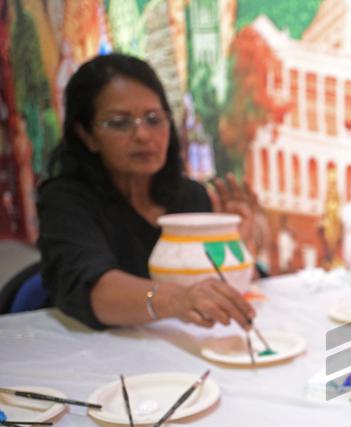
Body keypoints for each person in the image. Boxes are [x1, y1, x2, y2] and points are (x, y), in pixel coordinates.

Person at [37, 53, 261, 330]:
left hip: (182, 344)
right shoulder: (64, 201)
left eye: (154, 119)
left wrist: (237, 245)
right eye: (119, 122)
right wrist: (178, 299)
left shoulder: (190, 196)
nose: (143, 135)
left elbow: (215, 294)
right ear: (87, 135)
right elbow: (93, 288)